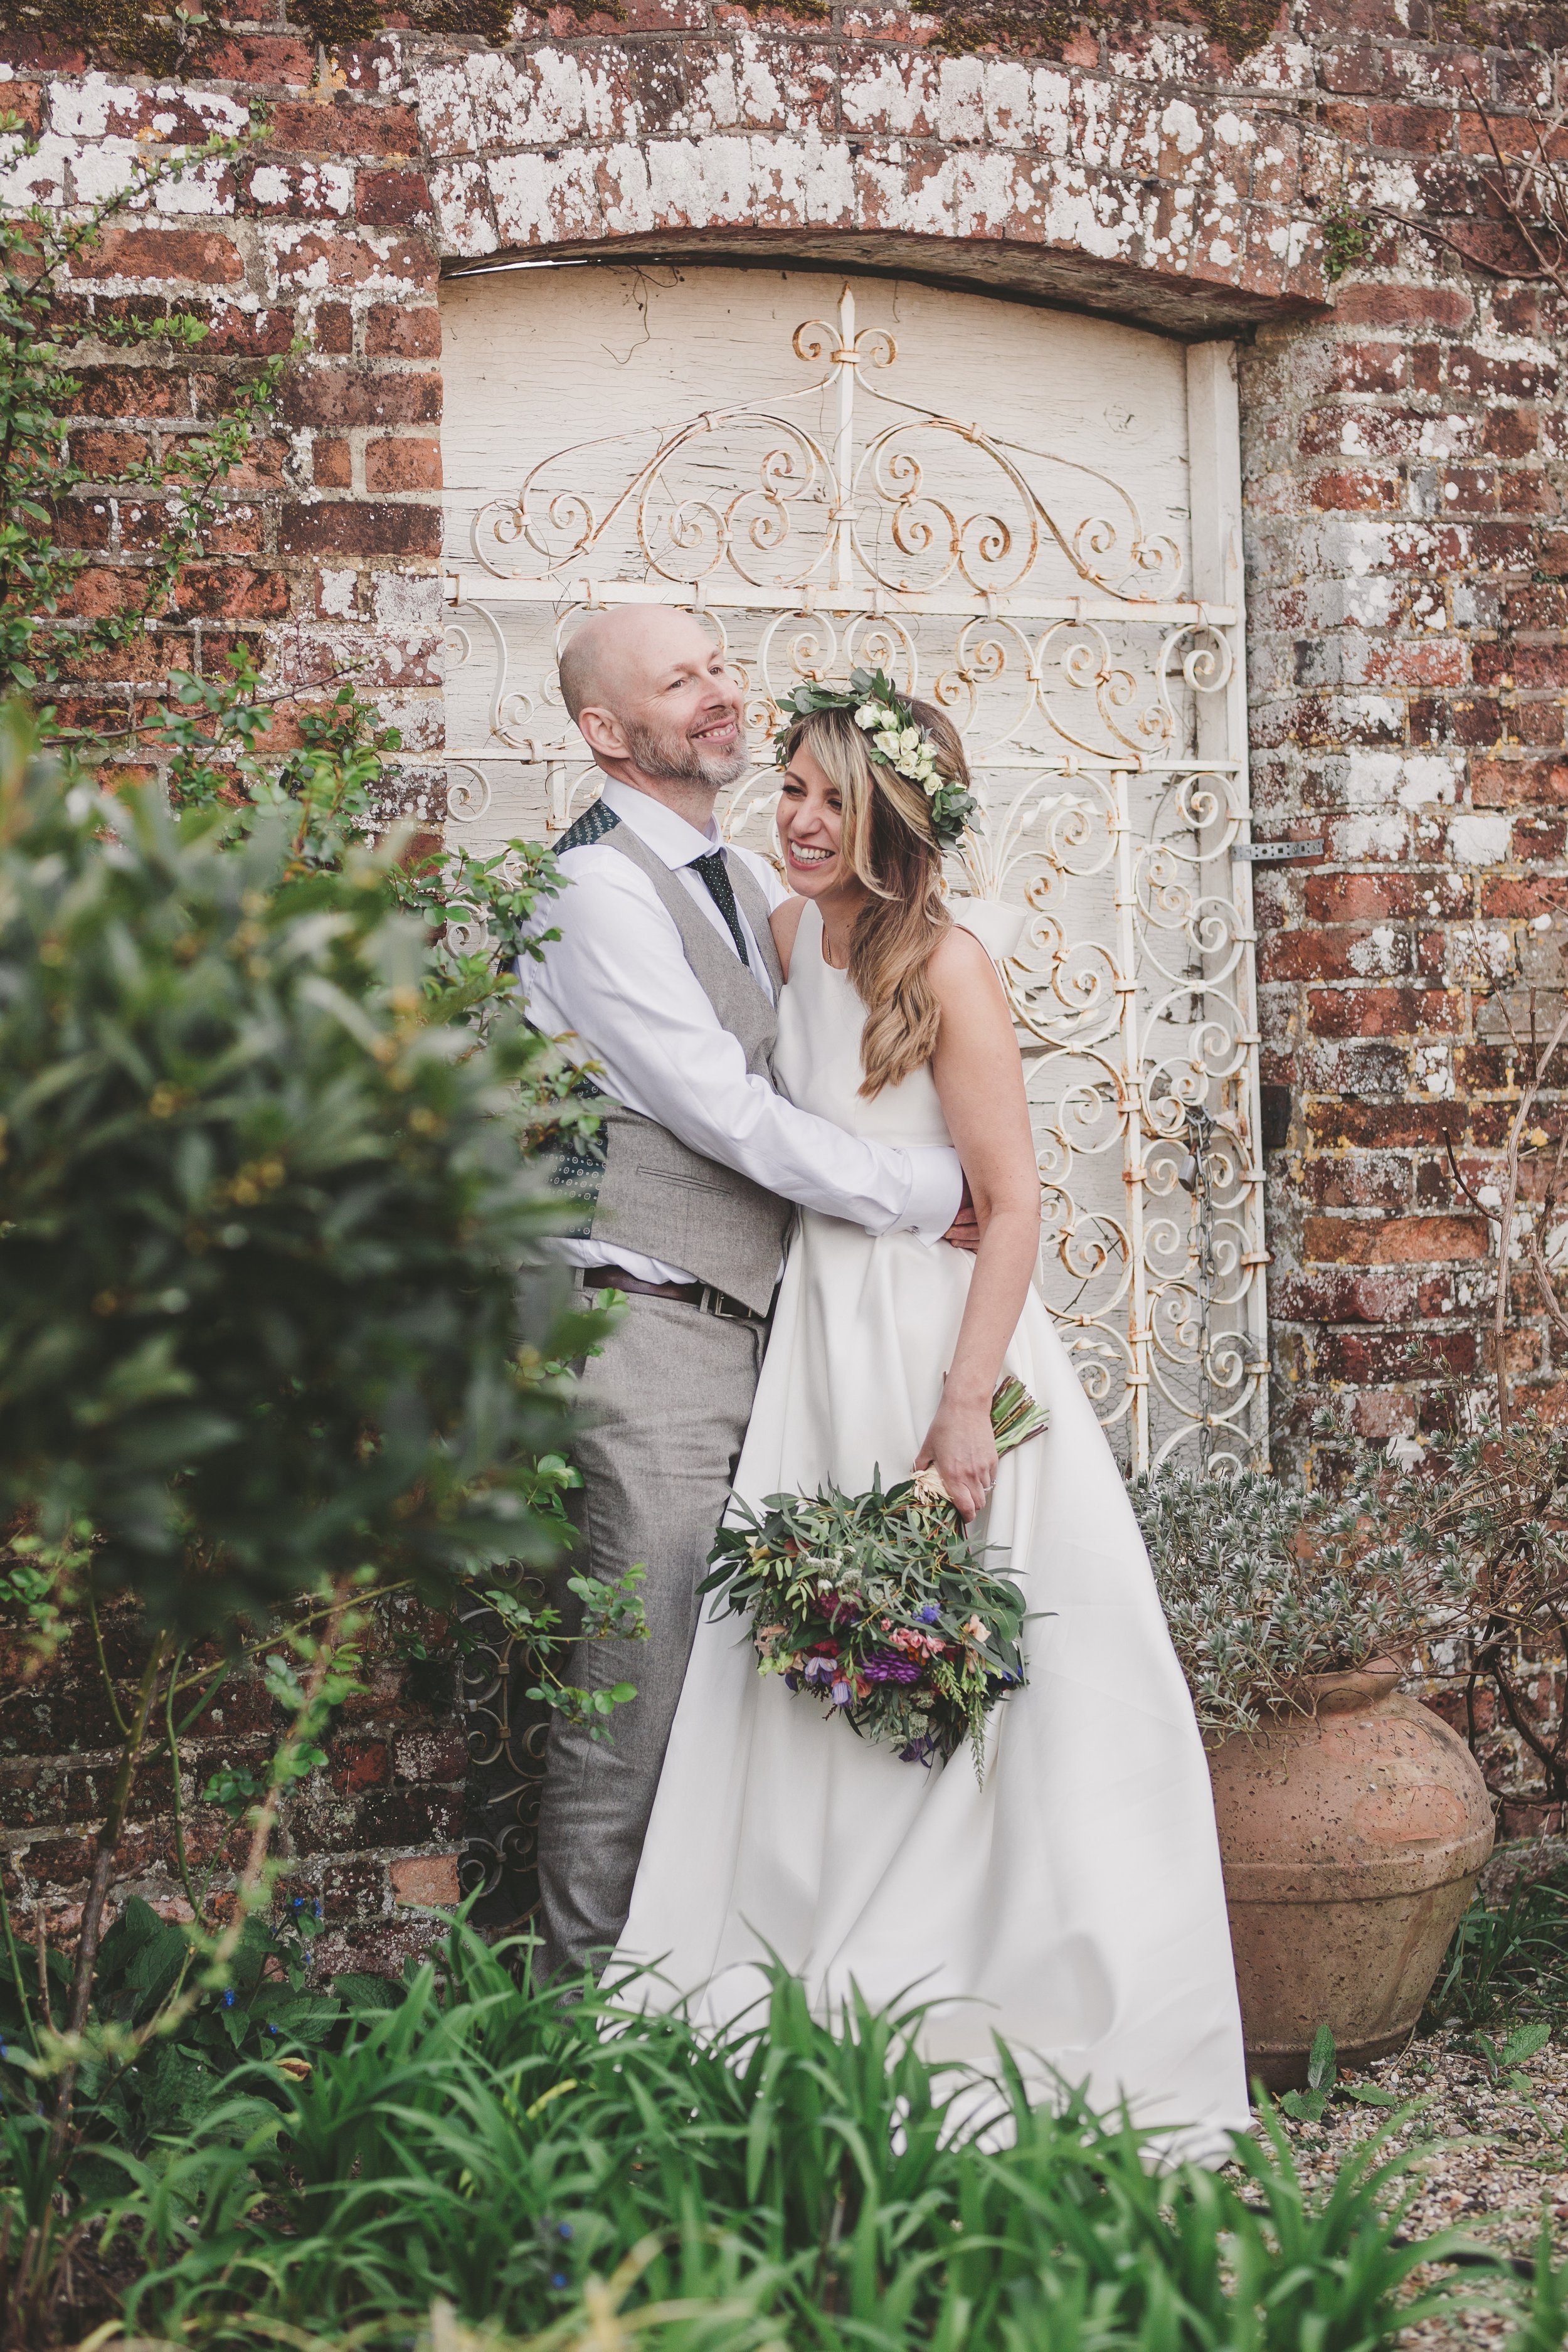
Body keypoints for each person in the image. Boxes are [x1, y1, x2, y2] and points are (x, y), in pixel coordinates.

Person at [610, 682, 1251, 2158]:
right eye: (786, 790)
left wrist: (964, 1411)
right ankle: (806, 1955)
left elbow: (1014, 1199)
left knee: (991, 1655)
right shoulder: (780, 939)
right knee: (811, 1646)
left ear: (898, 812)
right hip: (813, 1346)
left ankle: (994, 1974)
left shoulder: (948, 966)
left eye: (829, 796)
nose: (798, 819)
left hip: (936, 1347)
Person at [526, 606, 977, 1981]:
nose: (722, 697)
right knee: (637, 1688)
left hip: (763, 1335)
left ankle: (700, 1991)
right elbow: (720, 1110)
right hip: (646, 1328)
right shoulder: (596, 889)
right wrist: (925, 1192)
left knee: (735, 1696)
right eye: (681, 683)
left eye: (720, 668)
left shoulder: (732, 876)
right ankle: (570, 2042)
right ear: (606, 731)